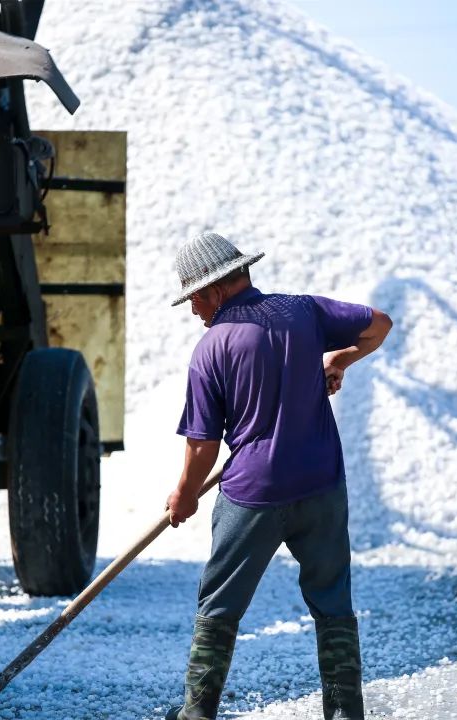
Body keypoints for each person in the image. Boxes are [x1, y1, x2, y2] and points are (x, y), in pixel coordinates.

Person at [164, 232, 393, 720]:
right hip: (321, 484)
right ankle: (347, 715)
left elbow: (202, 446)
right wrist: (339, 358)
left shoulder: (211, 349)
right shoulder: (303, 311)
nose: (193, 310)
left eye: (195, 298)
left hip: (254, 495)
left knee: (219, 608)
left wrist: (184, 496)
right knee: (333, 602)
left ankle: (196, 715)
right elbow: (379, 325)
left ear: (216, 289)